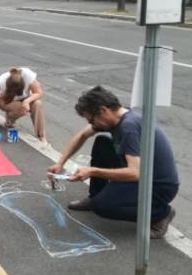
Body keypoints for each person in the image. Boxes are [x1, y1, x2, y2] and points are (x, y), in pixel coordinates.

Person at [47, 86, 178, 239]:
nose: (92, 125)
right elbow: (82, 135)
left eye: (91, 119)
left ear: (104, 110)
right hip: (142, 173)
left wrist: (92, 171)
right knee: (102, 141)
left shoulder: (129, 127)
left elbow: (136, 173)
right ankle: (94, 196)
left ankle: (161, 214)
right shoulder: (120, 116)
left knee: (103, 207)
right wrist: (60, 163)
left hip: (158, 187)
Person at [0, 67, 45, 142]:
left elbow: (39, 93)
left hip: (25, 98)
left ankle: (41, 137)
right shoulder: (1, 80)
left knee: (37, 104)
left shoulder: (28, 75)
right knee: (20, 108)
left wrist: (27, 101)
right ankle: (10, 120)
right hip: (5, 100)